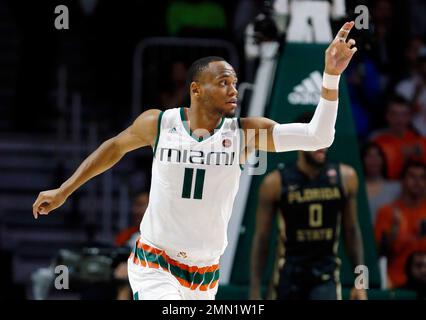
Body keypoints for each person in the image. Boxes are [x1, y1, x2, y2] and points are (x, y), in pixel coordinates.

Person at [32, 22, 358, 300]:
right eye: (223, 83)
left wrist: (330, 77)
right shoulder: (159, 123)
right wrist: (65, 189)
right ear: (196, 90)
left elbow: (318, 137)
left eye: (234, 82)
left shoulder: (244, 132)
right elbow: (113, 149)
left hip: (204, 274)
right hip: (155, 263)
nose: (233, 90)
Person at [250, 128, 367, 300]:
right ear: (300, 141)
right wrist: (254, 290)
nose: (322, 146)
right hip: (288, 275)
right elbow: (262, 238)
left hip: (326, 276)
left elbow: (353, 231)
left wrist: (361, 282)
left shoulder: (345, 177)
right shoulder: (275, 182)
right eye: (316, 140)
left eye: (325, 139)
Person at [375, 160, 426, 288]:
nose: (417, 182)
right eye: (412, 176)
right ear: (402, 181)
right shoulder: (387, 212)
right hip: (396, 283)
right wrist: (394, 231)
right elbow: (378, 253)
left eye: (422, 177)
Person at [361, 142, 401, 223]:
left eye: (377, 155)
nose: (373, 160)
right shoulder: (356, 188)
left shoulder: (397, 188)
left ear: (383, 159)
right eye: (369, 156)